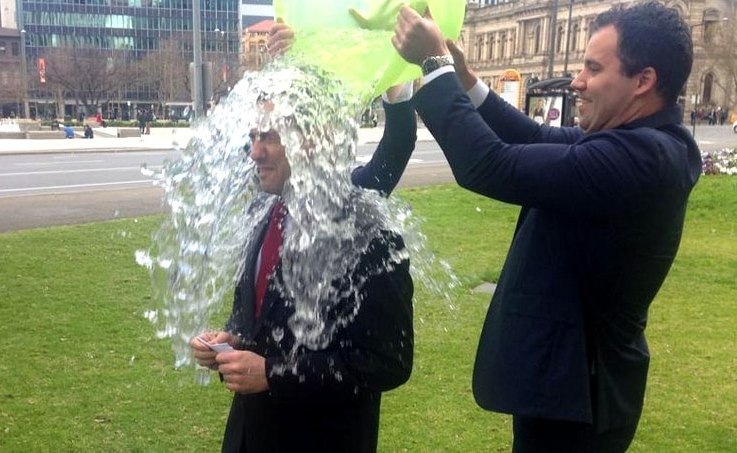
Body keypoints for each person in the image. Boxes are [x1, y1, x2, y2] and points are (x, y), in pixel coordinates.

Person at [392, 2, 701, 451]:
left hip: (577, 398)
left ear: (643, 81)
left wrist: (434, 66)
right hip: (569, 388)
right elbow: (535, 138)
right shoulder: (636, 143)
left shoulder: (642, 157)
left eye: (593, 68)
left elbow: (490, 165)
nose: (577, 81)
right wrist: (463, 78)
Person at [189, 64, 415, 453]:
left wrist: (273, 374)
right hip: (249, 435)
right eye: (253, 136)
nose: (254, 152)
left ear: (312, 139)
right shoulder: (263, 212)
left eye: (270, 137)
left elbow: (387, 361)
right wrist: (230, 340)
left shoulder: (364, 232)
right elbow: (261, 318)